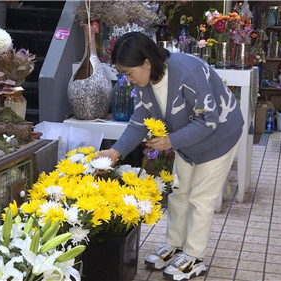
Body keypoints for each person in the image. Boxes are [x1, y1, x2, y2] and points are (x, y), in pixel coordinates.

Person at [95, 32, 243, 280]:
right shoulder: (144, 84)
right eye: (123, 74)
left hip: (219, 137)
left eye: (129, 72)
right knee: (179, 192)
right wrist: (115, 151)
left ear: (146, 63)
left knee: (201, 198)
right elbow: (139, 121)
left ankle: (194, 256)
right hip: (187, 142)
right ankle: (175, 246)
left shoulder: (187, 71)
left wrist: (171, 141)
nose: (127, 78)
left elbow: (209, 120)